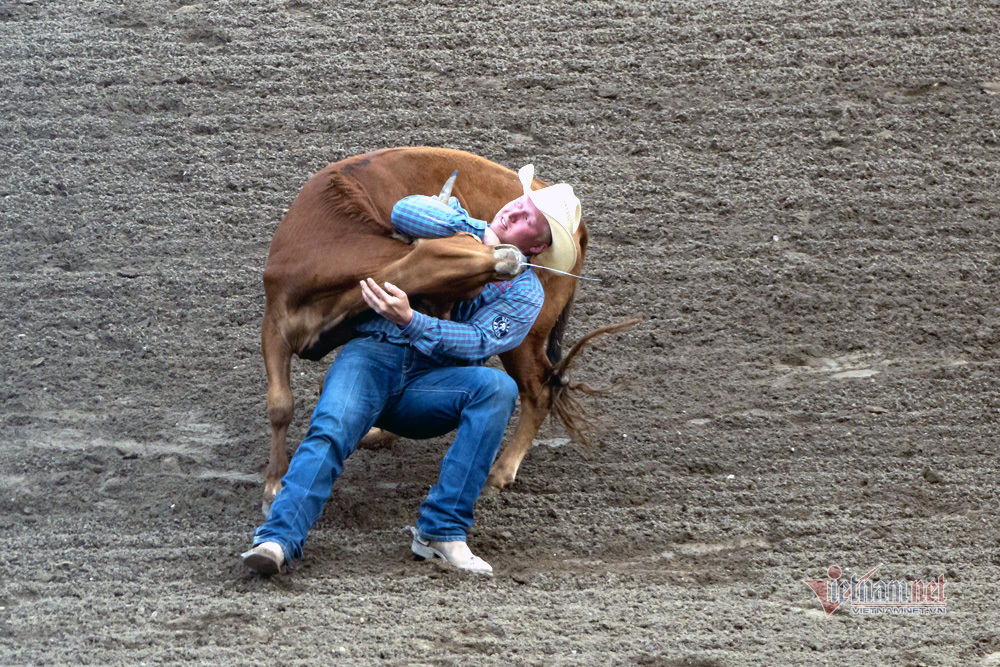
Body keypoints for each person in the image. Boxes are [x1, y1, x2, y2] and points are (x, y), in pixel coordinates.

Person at [242, 164, 581, 576]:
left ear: (540, 246)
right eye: (520, 201)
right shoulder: (453, 223)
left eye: (530, 217)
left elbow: (478, 341)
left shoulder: (525, 295)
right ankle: (277, 538)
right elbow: (405, 211)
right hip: (372, 357)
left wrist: (411, 321)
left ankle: (442, 530)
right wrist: (479, 237)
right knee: (330, 429)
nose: (515, 210)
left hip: (433, 385)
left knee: (496, 387)